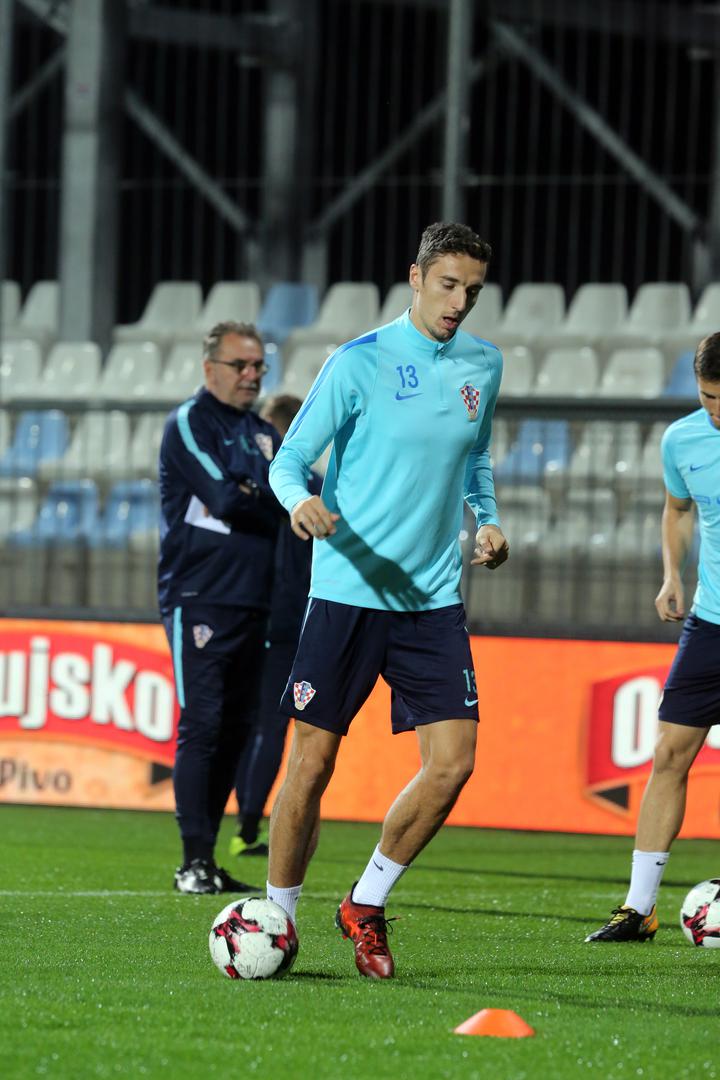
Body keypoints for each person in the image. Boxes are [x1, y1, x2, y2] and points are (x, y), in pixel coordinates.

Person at [265, 221, 509, 978]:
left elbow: (475, 456)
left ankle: (364, 902)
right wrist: (299, 503)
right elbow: (288, 461)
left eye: (472, 290)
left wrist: (489, 519)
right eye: (448, 285)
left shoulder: (484, 364)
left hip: (432, 599)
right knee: (311, 765)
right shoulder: (359, 362)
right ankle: (277, 919)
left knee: (453, 765)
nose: (459, 302)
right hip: (347, 592)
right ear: (416, 278)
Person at [586, 331, 720, 943]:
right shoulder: (682, 439)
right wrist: (672, 574)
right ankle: (639, 909)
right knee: (667, 756)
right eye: (707, 396)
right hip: (710, 622)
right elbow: (678, 509)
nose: (715, 409)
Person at [158, 320, 283, 894]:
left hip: (255, 598)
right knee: (203, 724)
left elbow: (297, 494)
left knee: (236, 730)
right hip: (199, 595)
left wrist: (260, 495)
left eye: (259, 366)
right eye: (241, 365)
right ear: (210, 368)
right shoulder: (190, 422)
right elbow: (224, 497)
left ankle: (206, 859)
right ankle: (192, 861)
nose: (252, 375)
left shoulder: (262, 432)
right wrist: (263, 497)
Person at [230, 394, 323, 857]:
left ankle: (242, 824)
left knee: (249, 721)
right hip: (297, 617)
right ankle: (248, 826)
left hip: (255, 612)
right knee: (273, 725)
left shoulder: (260, 483)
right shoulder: (320, 487)